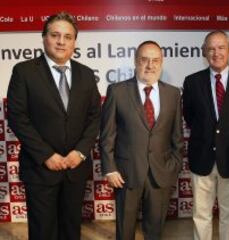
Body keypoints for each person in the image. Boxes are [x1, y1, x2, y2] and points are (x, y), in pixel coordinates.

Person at [6, 12, 101, 240]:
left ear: (74, 42)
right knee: (43, 231)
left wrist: (80, 152)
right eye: (55, 35)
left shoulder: (86, 75)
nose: (61, 41)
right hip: (40, 169)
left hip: (75, 169)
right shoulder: (24, 71)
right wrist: (46, 154)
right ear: (44, 38)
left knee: (71, 229)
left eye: (68, 37)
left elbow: (95, 117)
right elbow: (18, 117)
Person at [100, 40, 183, 240]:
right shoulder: (117, 91)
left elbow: (177, 137)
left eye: (155, 60)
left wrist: (174, 166)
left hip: (161, 174)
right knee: (125, 231)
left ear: (162, 63)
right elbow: (107, 135)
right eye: (144, 60)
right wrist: (110, 168)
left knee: (155, 231)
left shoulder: (173, 94)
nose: (150, 65)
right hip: (126, 175)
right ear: (136, 62)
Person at [182, 30, 229, 240]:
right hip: (201, 158)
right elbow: (189, 117)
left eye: (221, 47)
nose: (216, 53)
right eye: (211, 48)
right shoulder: (192, 82)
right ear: (204, 52)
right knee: (201, 214)